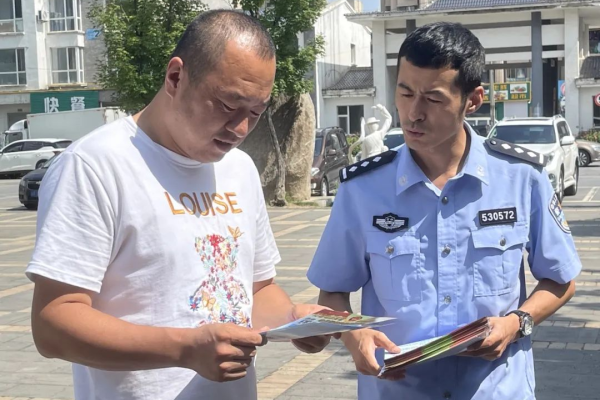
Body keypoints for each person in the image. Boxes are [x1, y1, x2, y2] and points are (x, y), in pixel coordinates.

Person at [27, 10, 329, 400]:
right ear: (175, 77)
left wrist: (292, 319)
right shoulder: (94, 166)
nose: (240, 129)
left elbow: (255, 291)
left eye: (255, 112)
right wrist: (184, 349)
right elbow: (53, 325)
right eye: (228, 105)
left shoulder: (239, 169)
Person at [307, 22, 581, 400]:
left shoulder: (522, 178)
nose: (413, 113)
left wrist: (517, 323)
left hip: (496, 389)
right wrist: (354, 335)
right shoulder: (363, 189)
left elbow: (561, 280)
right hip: (398, 391)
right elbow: (332, 292)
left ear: (473, 99)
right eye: (405, 93)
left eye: (433, 99)